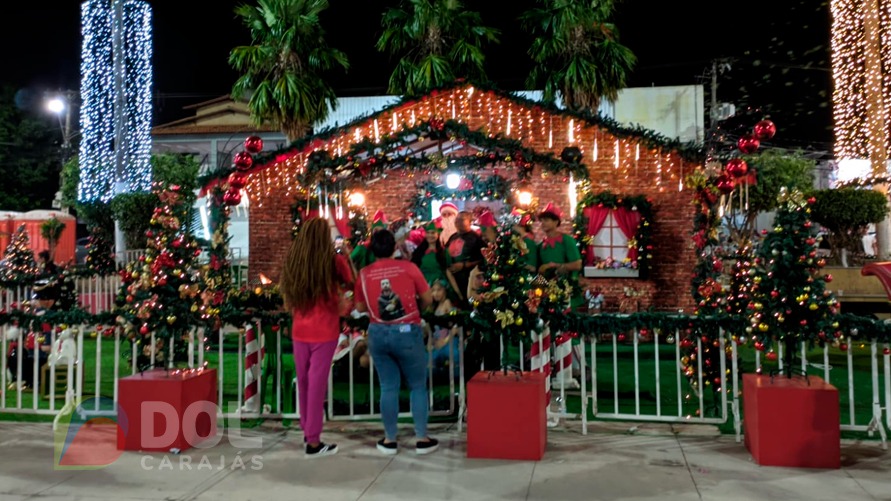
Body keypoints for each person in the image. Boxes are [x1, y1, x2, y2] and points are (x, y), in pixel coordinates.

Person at [354, 229, 438, 456]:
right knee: (417, 386)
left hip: (377, 333)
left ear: (372, 249)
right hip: (407, 331)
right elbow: (428, 299)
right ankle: (422, 438)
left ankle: (390, 439)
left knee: (388, 386)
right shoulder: (409, 268)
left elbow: (360, 307)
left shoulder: (364, 273)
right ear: (394, 247)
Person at [279, 217, 354, 458]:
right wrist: (348, 255)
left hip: (300, 329)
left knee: (303, 381)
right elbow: (351, 281)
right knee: (317, 384)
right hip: (325, 330)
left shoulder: (294, 261)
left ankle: (306, 427)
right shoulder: (334, 261)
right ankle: (313, 441)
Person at [445, 211, 484, 308]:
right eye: (457, 219)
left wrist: (465, 265)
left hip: (468, 280)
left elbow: (483, 258)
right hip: (453, 280)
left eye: (461, 219)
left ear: (470, 221)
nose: (457, 222)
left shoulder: (476, 238)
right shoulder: (453, 237)